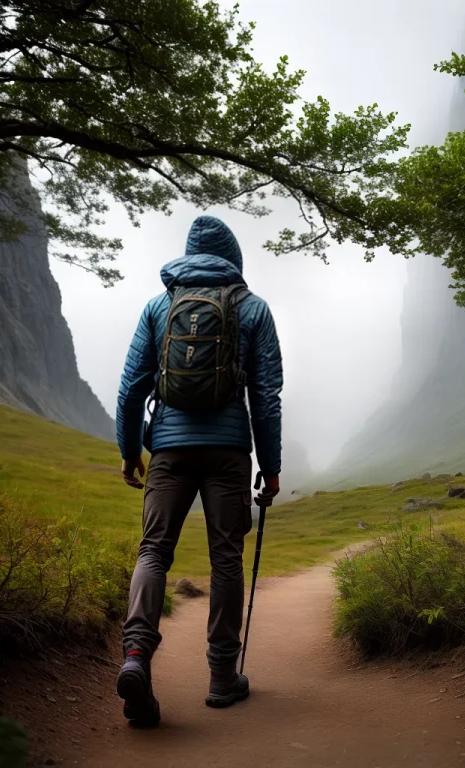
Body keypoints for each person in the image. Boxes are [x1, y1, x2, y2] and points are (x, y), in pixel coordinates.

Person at [115, 215, 282, 726]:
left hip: (168, 447)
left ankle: (136, 657)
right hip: (228, 451)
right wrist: (270, 469)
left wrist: (129, 450)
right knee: (226, 557)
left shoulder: (159, 305)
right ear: (233, 258)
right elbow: (266, 398)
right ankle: (222, 676)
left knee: (153, 551)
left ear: (187, 254)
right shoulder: (252, 307)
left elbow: (131, 387)